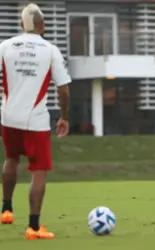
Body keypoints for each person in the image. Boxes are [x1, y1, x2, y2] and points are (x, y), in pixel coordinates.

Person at [0, 3, 71, 239]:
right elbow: (63, 90)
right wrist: (64, 116)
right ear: (43, 25)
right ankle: (33, 226)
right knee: (38, 170)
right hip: (35, 120)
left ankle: (6, 210)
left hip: (8, 116)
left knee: (11, 158)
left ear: (22, 25)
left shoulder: (5, 47)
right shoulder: (50, 50)